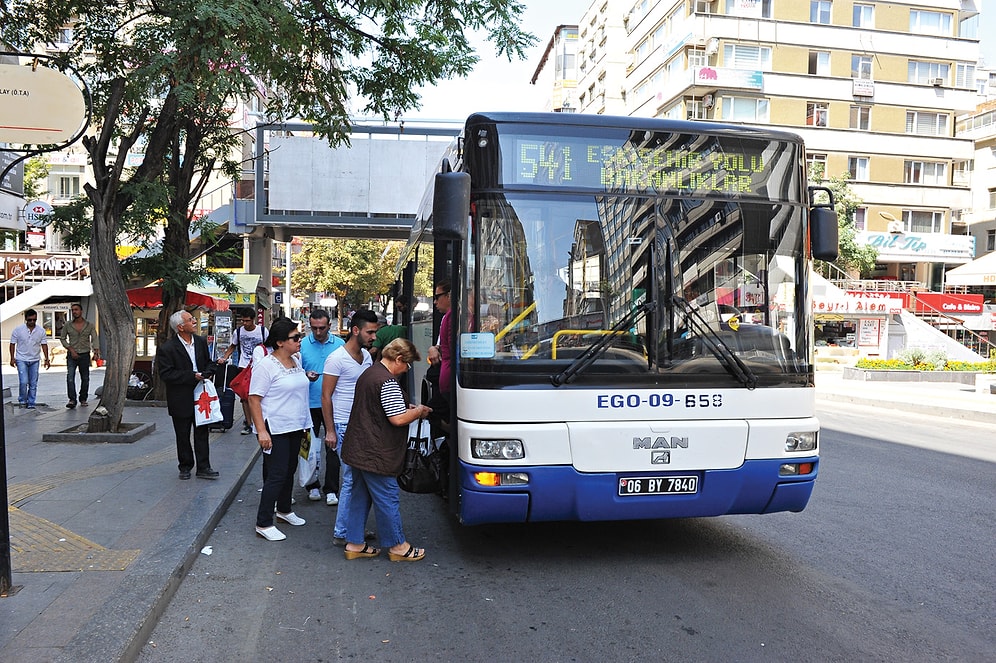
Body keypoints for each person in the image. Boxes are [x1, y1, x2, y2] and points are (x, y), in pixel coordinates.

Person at [340, 338, 430, 562]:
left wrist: (404, 406)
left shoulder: (370, 373)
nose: (407, 369)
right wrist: (417, 411)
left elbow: (376, 407)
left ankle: (355, 543)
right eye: (407, 364)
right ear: (398, 359)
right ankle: (398, 546)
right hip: (376, 452)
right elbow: (398, 419)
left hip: (358, 447)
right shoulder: (387, 381)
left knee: (360, 496)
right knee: (387, 497)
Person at [247, 317, 317, 541]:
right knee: (276, 474)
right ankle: (263, 522)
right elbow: (254, 399)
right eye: (295, 338)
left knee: (289, 470)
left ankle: (284, 510)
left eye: (300, 337)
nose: (300, 341)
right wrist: (261, 431)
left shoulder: (296, 360)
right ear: (279, 342)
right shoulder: (266, 366)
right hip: (275, 427)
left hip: (296, 425)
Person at [322, 309, 379, 544]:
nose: (374, 337)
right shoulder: (336, 358)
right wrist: (330, 431)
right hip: (343, 425)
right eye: (370, 332)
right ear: (355, 330)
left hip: (360, 425)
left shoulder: (366, 356)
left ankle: (351, 528)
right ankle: (343, 532)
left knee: (358, 480)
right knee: (351, 480)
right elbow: (326, 396)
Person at [156, 310, 219, 480]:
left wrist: (209, 372)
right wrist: (192, 376)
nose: (194, 322)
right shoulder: (167, 348)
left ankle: (204, 467)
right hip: (180, 397)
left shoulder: (200, 341)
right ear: (180, 327)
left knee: (202, 432)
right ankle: (185, 466)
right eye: (190, 320)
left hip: (201, 395)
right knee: (182, 434)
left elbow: (208, 362)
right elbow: (167, 374)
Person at [298, 308, 345, 503]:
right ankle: (312, 485)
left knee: (333, 447)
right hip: (309, 403)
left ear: (330, 325)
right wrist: (305, 375)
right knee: (309, 447)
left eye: (322, 328)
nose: (318, 332)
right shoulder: (301, 345)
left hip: (334, 404)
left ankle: (331, 488)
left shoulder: (340, 345)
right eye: (314, 328)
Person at [221, 309, 268, 435]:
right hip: (243, 367)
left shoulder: (262, 331)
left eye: (247, 320)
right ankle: (248, 423)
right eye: (243, 320)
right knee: (244, 397)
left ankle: (260, 420)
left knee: (259, 395)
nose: (245, 323)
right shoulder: (238, 332)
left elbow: (269, 347)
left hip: (260, 367)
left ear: (253, 320)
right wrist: (225, 357)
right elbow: (233, 345)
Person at [60, 302, 100, 408]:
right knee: (70, 377)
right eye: (73, 310)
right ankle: (72, 399)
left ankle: (83, 399)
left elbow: (94, 338)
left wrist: (96, 351)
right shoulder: (68, 325)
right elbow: (62, 338)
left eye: (76, 309)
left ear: (81, 311)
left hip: (84, 354)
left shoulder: (89, 325)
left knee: (85, 378)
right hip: (72, 355)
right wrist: (70, 349)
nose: (74, 312)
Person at [9, 308, 50, 409]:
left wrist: (47, 359)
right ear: (26, 319)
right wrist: (12, 358)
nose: (32, 322)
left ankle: (31, 402)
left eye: (34, 320)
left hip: (35, 359)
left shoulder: (41, 331)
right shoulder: (18, 330)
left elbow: (44, 345)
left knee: (33, 383)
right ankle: (22, 400)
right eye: (30, 320)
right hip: (21, 359)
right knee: (23, 381)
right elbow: (12, 344)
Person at [371, 295, 408, 360]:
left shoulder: (380, 333)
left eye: (400, 307)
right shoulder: (401, 328)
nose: (399, 310)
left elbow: (374, 350)